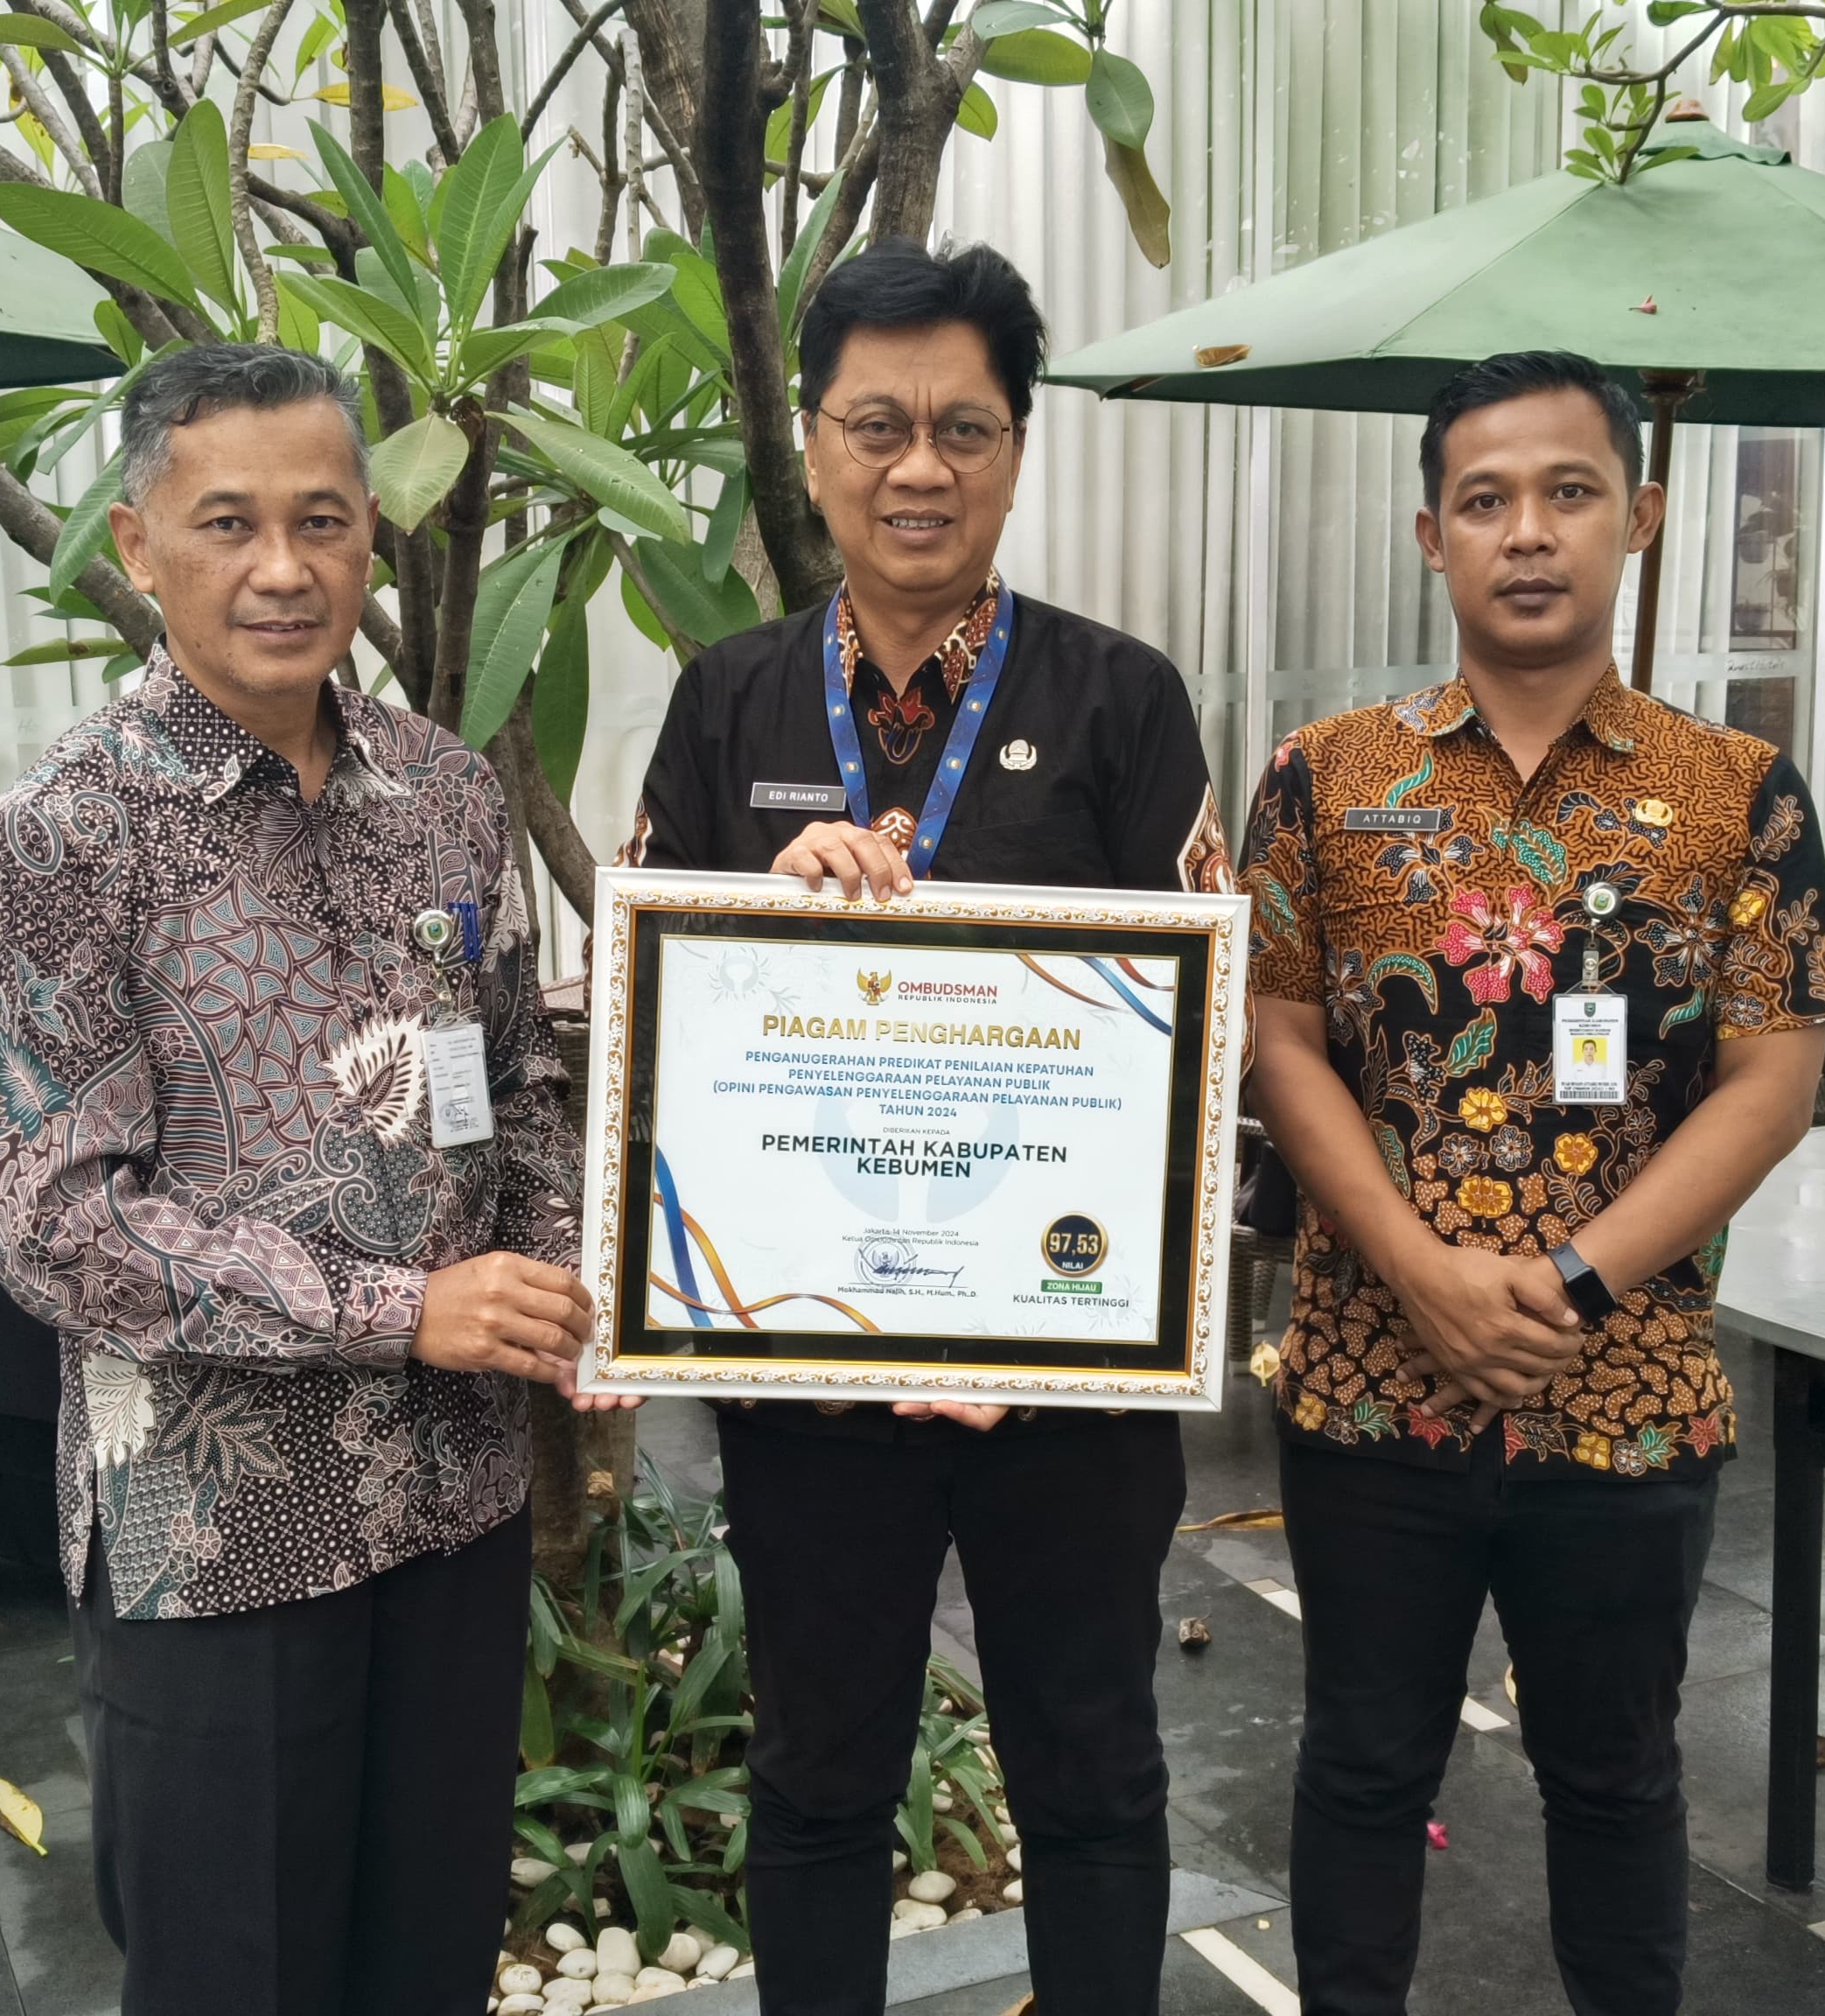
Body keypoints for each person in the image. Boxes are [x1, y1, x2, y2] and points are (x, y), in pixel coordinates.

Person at [622, 240, 1231, 2016]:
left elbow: (1198, 1052)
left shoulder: (1121, 699)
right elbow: (655, 1027)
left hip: (1065, 1381)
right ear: (812, 446)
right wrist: (761, 906)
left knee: (1092, 1771)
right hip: (809, 1376)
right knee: (820, 1777)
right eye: (874, 424)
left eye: (963, 428)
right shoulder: (728, 700)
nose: (918, 468)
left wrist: (1035, 1336)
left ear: (1015, 452)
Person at [0, 342, 592, 2016]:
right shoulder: (60, 840)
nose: (283, 568)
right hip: (219, 1539)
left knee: (429, 1962)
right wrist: (404, 1310)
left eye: (320, 520)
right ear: (138, 543)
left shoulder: (445, 796)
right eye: (227, 522)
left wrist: (562, 1280)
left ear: (373, 533)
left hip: (452, 1501)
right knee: (236, 1977)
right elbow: (56, 1227)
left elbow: (516, 1076)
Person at [1238, 350, 1825, 2016]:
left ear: (1638, 517)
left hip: (1628, 1390)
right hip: (1371, 1384)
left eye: (1569, 493)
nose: (1528, 533)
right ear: (1429, 534)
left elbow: (1774, 1080)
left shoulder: (1738, 794)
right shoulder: (1324, 778)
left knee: (1617, 1775)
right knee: (1363, 1764)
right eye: (1486, 500)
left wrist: (1574, 1280)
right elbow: (1279, 1044)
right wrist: (1422, 1272)